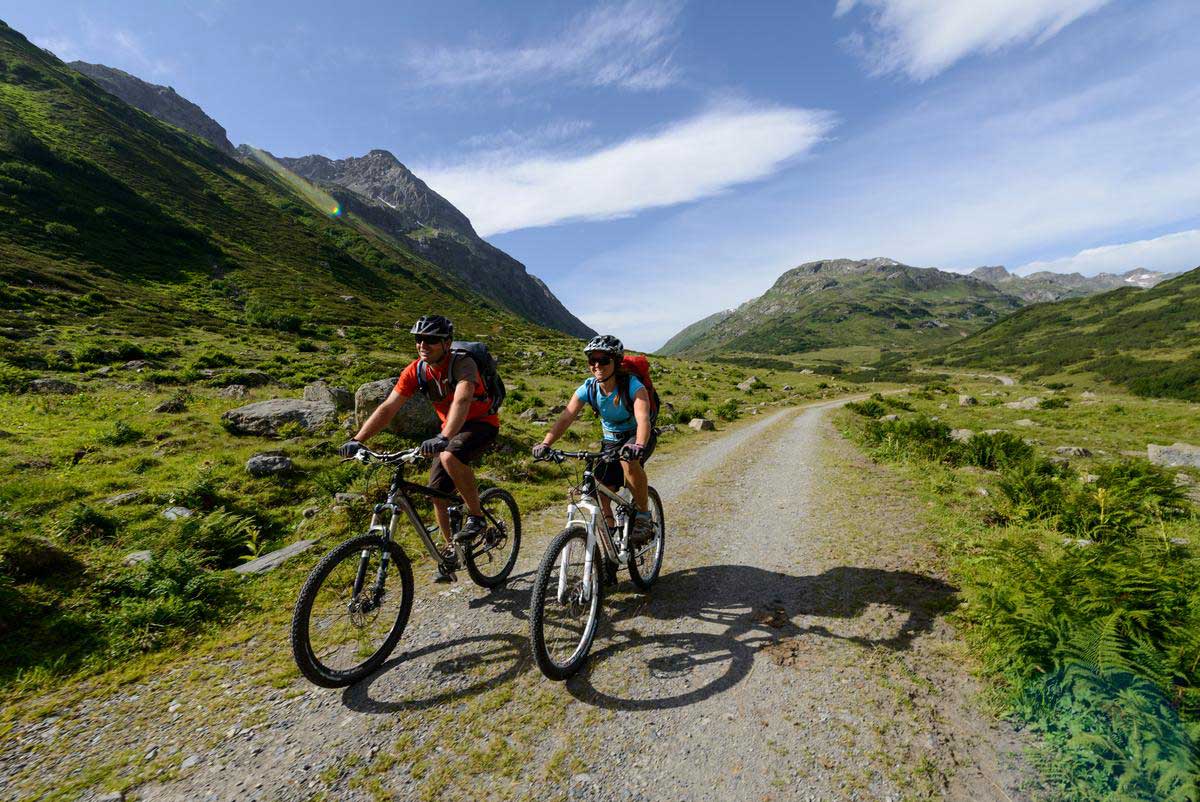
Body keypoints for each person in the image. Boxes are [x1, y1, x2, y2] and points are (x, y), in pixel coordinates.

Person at [338, 315, 499, 563]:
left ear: (447, 342)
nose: (423, 344)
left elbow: (463, 399)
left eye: (431, 339)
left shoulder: (463, 363)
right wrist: (358, 439)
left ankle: (476, 517)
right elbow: (388, 408)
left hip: (481, 424)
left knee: (449, 455)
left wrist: (444, 437)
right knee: (436, 492)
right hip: (449, 431)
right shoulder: (416, 370)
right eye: (418, 339)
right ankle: (450, 550)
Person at [532, 335, 656, 545]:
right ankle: (608, 531)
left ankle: (643, 516)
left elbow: (643, 419)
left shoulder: (633, 386)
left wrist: (638, 445)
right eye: (592, 361)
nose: (597, 365)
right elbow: (566, 417)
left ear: (615, 362)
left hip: (637, 436)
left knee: (628, 462)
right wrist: (546, 443)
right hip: (610, 440)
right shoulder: (589, 388)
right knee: (595, 484)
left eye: (604, 360)